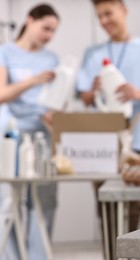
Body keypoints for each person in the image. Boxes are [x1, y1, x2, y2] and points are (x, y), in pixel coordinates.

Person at [76, 0, 140, 257]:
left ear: (124, 11)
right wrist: (93, 91)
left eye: (108, 13)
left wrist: (137, 92)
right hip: (102, 145)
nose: (104, 21)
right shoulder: (92, 53)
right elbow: (83, 96)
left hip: (138, 140)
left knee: (136, 208)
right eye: (99, 16)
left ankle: (130, 255)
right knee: (105, 208)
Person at [0, 4, 60, 260]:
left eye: (53, 31)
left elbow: (55, 98)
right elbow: (1, 94)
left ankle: (38, 256)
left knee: (44, 201)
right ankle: (11, 256)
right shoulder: (5, 53)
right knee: (9, 202)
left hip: (42, 136)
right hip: (11, 137)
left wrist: (53, 114)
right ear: (29, 20)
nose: (49, 35)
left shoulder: (52, 59)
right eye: (45, 28)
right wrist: (34, 80)